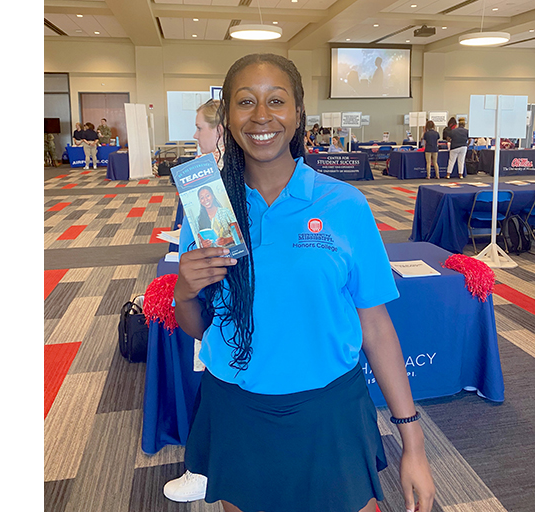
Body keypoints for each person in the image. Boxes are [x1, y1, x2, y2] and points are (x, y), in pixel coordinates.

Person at [174, 52, 435, 512]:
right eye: (245, 102)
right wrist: (184, 289)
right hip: (237, 410)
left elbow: (376, 328)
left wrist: (413, 441)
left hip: (329, 411)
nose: (261, 116)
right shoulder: (209, 208)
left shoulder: (344, 205)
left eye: (276, 101)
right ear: (228, 118)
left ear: (298, 115)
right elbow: (200, 326)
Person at [163, 97, 227, 503]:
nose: (194, 133)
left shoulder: (216, 181)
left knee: (218, 380)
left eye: (201, 126)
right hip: (204, 288)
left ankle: (203, 470)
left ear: (219, 131)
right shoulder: (203, 178)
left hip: (218, 296)